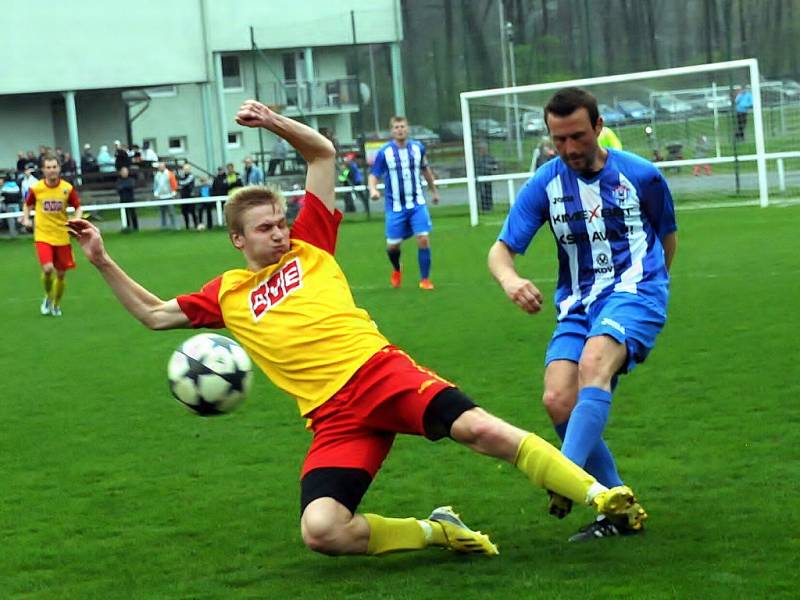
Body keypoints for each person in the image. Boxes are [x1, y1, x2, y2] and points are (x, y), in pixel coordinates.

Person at [68, 99, 646, 559]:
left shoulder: (311, 243)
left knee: (477, 429)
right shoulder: (226, 292)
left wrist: (274, 123)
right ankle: (437, 532)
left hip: (377, 372)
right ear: (238, 240)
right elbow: (152, 314)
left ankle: (603, 497)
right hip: (333, 417)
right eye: (264, 228)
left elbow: (321, 156)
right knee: (322, 531)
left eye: (279, 222)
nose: (278, 232)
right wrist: (100, 259)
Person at [488, 87, 677, 542]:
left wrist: (647, 292)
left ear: (598, 127)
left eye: (577, 136)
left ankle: (565, 480)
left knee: (594, 365)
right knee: (557, 399)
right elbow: (501, 250)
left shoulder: (642, 176)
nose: (570, 149)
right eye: (559, 140)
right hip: (578, 304)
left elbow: (667, 238)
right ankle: (618, 507)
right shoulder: (545, 183)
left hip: (636, 291)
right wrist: (511, 280)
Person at [368, 116, 440, 290]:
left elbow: (425, 170)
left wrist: (434, 191)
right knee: (393, 246)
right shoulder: (385, 152)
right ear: (392, 131)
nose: (400, 129)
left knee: (423, 239)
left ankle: (425, 279)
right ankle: (396, 269)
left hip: (417, 203)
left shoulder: (418, 148)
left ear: (407, 129)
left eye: (402, 126)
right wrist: (373, 190)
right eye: (396, 127)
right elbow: (374, 174)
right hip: (395, 206)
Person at [21, 154, 83, 316]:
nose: (51, 170)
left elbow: (78, 207)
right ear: (43, 170)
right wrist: (26, 219)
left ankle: (56, 304)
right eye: (48, 167)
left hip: (62, 235)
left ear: (59, 168)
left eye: (54, 167)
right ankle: (48, 296)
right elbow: (27, 205)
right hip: (43, 234)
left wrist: (76, 220)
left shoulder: (67, 188)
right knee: (48, 269)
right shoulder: (37, 189)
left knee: (61, 274)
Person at [152, 162, 177, 230]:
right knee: (162, 213)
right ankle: (164, 227)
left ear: (164, 167)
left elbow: (174, 183)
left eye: (162, 167)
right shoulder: (157, 175)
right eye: (159, 167)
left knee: (171, 212)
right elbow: (155, 185)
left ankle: (174, 226)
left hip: (169, 195)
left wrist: (174, 193)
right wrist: (156, 193)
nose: (160, 168)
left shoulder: (169, 174)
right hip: (160, 196)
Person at [116, 166, 138, 232]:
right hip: (123, 200)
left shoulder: (131, 179)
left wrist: (123, 187)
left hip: (131, 199)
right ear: (120, 173)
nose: (124, 173)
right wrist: (125, 187)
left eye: (125, 172)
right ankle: (127, 228)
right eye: (123, 172)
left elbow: (131, 186)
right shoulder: (119, 180)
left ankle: (136, 228)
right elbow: (118, 188)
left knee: (133, 214)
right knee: (125, 215)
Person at [178, 163, 198, 230]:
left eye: (187, 169)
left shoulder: (191, 176)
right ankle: (187, 226)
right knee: (184, 212)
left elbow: (184, 182)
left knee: (192, 211)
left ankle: (196, 225)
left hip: (191, 196)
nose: (186, 170)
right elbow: (180, 182)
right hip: (183, 196)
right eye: (184, 169)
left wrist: (180, 182)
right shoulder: (182, 176)